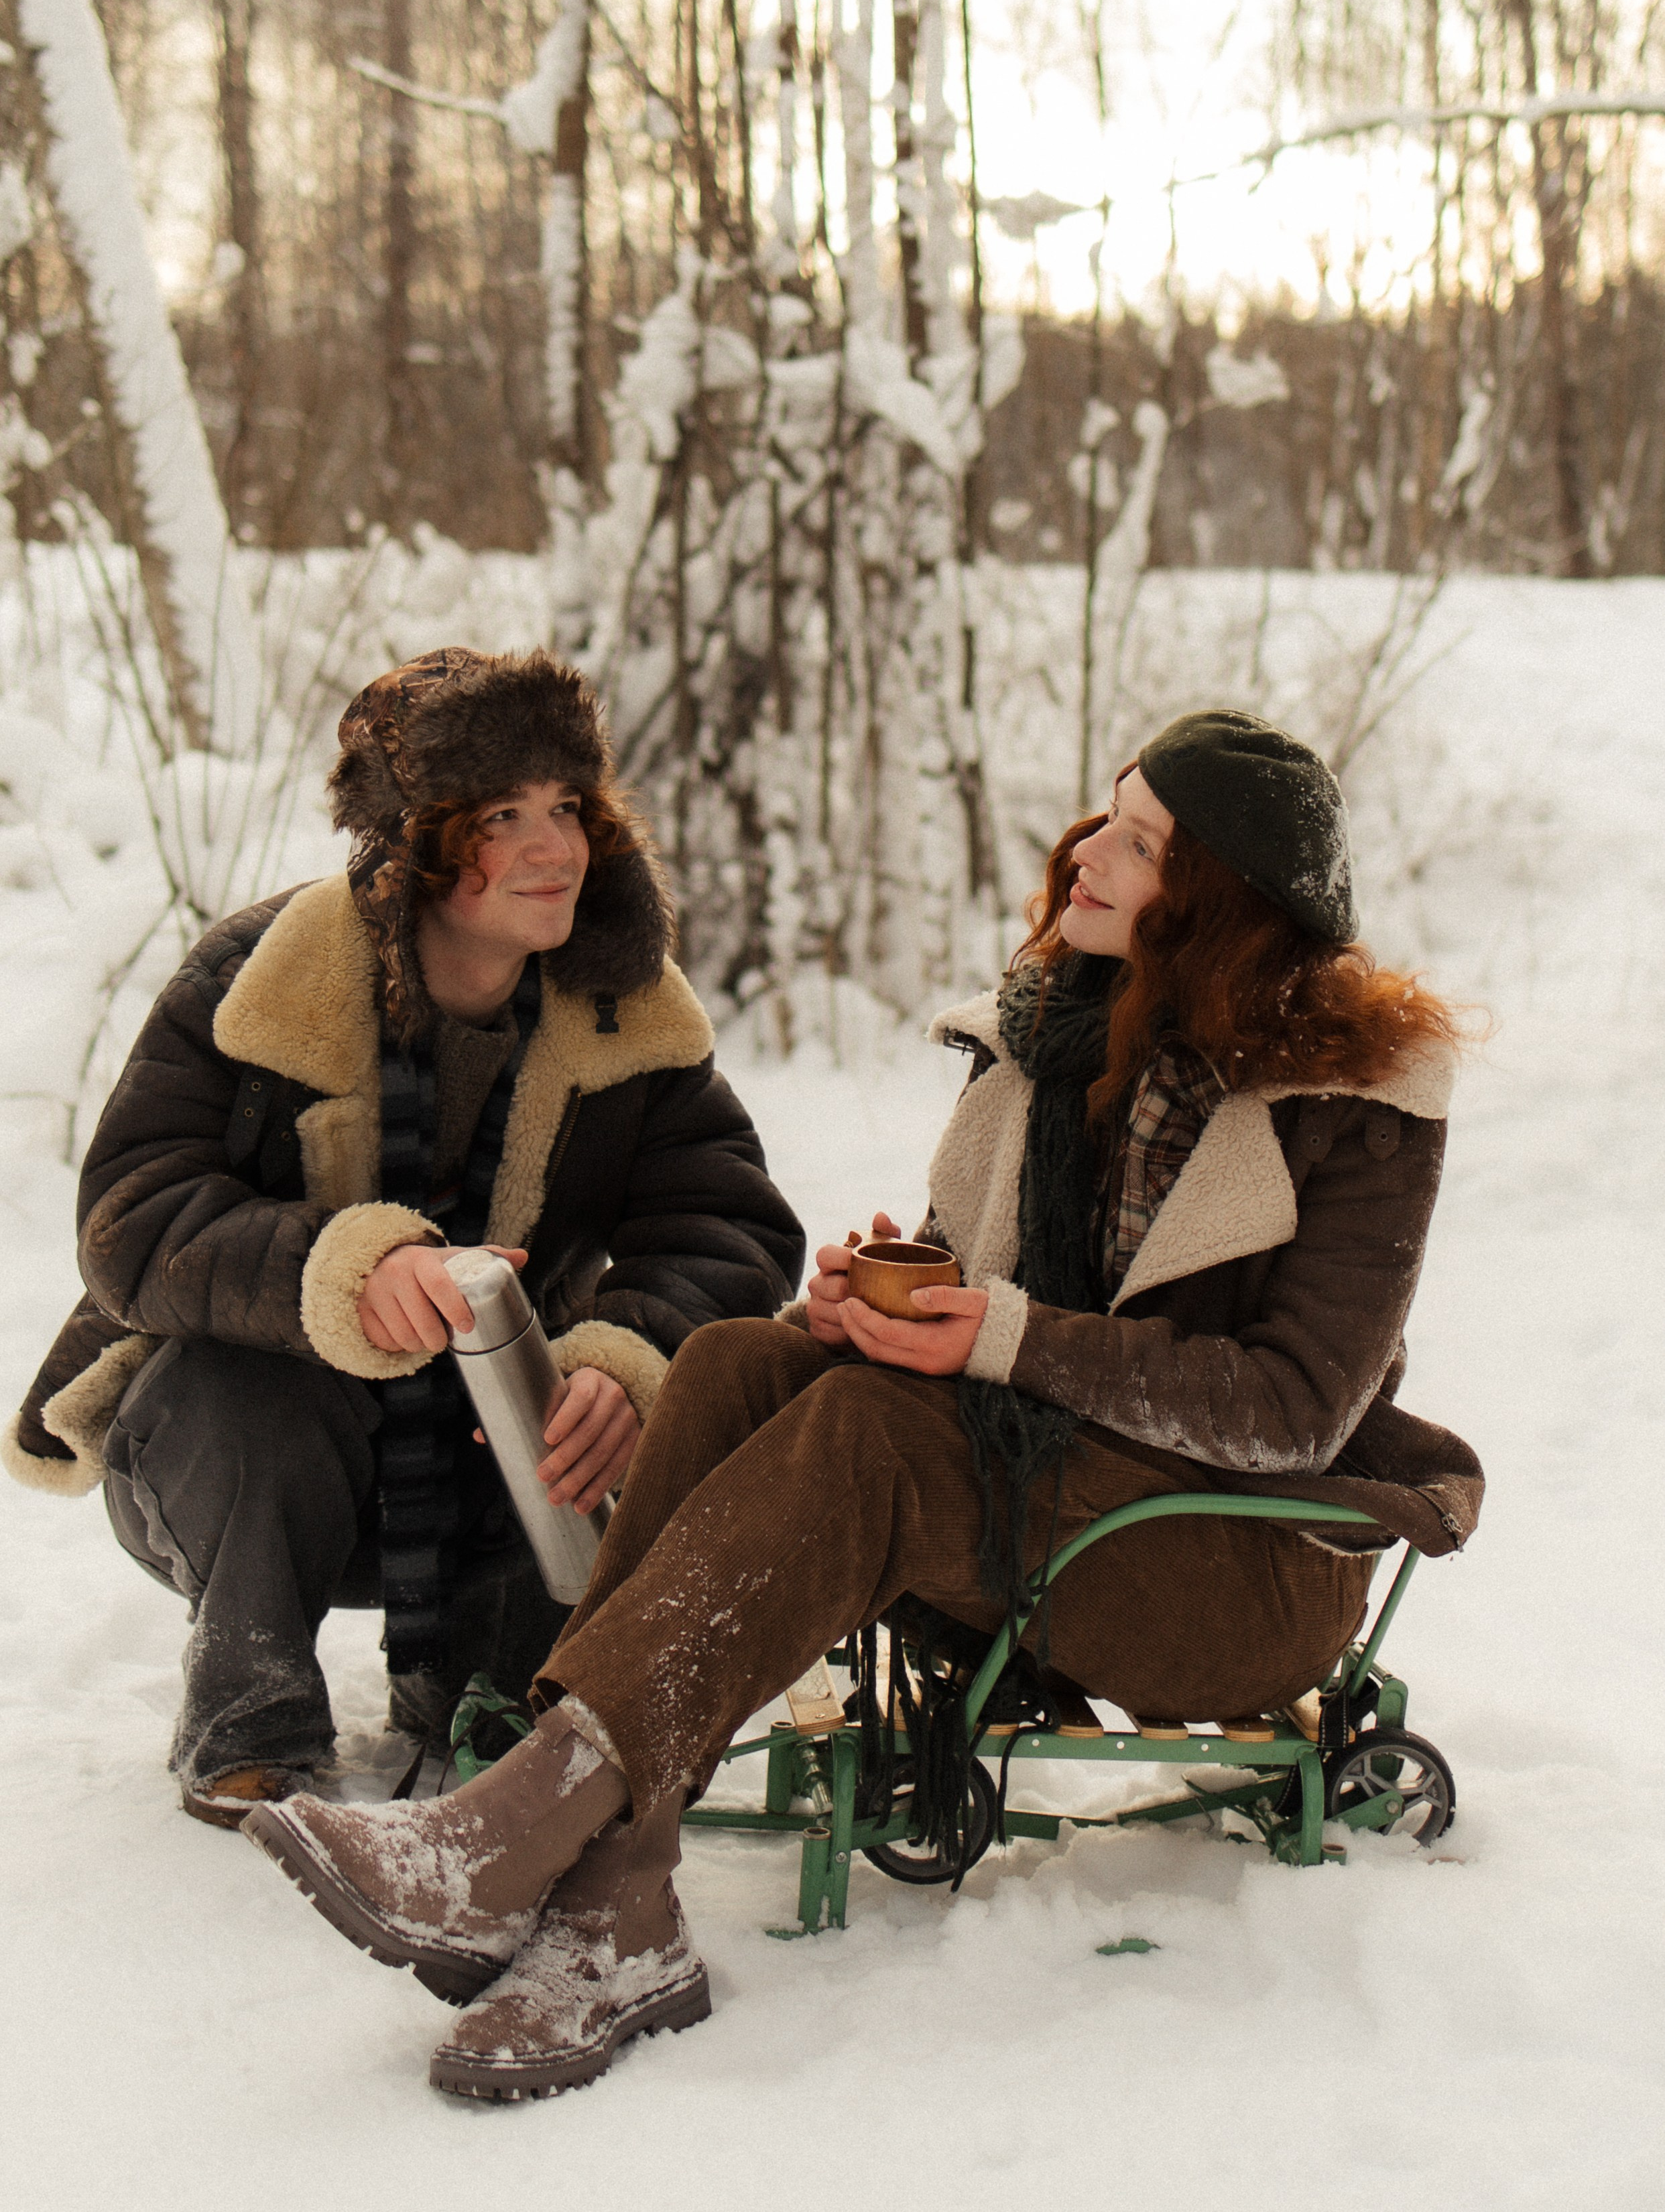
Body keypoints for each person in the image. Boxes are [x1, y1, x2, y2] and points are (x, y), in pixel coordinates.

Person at [239, 707, 1483, 2103]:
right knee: (736, 1367)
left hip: (1233, 1565)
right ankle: (612, 1907)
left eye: (1141, 844)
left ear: (1221, 910)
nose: (1090, 853)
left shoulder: (1357, 1100)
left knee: (878, 1433)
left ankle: (507, 1836)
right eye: (1107, 815)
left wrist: (995, 1335)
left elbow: (1295, 1412)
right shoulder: (1050, 1043)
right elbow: (980, 1316)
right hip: (1045, 1503)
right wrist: (857, 1317)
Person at [3, 647, 804, 1823]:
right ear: (412, 841)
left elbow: (726, 1218)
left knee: (578, 1469)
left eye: (568, 809)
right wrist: (345, 1272)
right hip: (241, 1467)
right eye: (502, 814)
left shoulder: (623, 1004)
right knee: (250, 1394)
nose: (553, 847)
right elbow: (132, 1212)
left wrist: (628, 1359)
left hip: (500, 1453)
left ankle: (486, 1683)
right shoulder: (257, 976)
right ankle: (251, 1716)